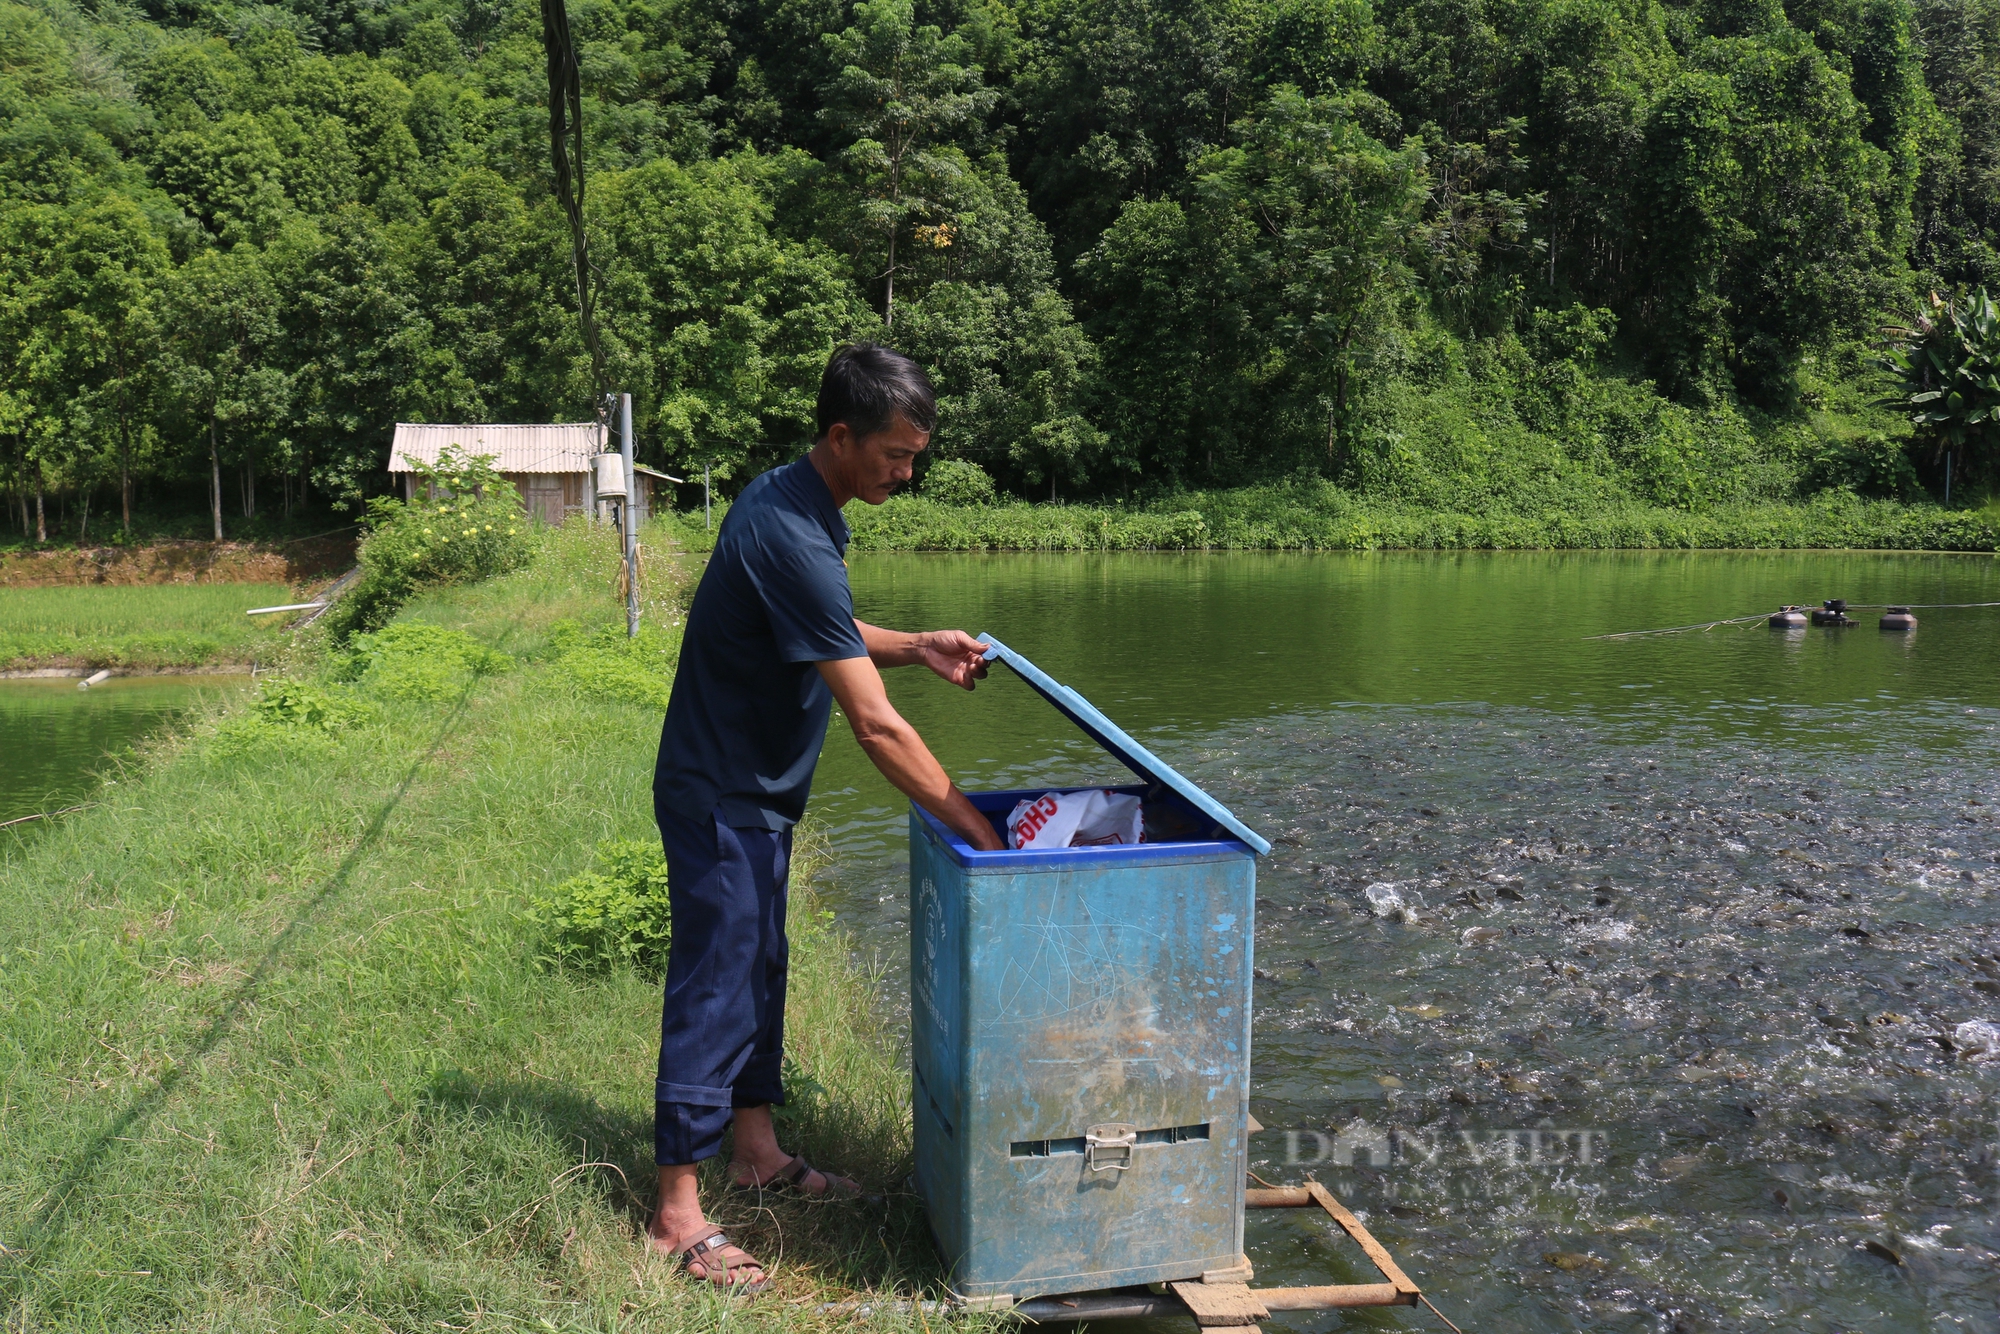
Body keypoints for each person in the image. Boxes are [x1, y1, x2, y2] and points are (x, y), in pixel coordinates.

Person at [646, 342, 1005, 1293]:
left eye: (916, 454)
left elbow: (825, 634)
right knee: (717, 984)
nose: (908, 471)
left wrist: (917, 643)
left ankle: (755, 1152)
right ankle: (675, 1214)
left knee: (761, 970)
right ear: (840, 437)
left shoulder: (804, 507)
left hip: (755, 794)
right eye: (895, 454)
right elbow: (877, 731)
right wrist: (979, 832)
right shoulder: (789, 531)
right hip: (722, 793)